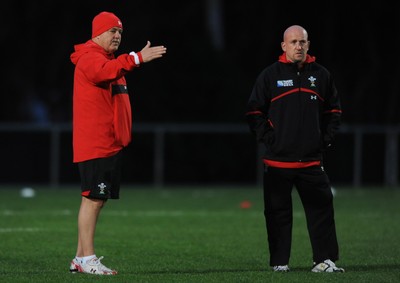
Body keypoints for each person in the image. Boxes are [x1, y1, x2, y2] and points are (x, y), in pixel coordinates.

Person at [69, 11, 166, 275]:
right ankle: (88, 258)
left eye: (120, 32)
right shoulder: (91, 58)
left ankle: (79, 257)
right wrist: (136, 58)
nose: (117, 36)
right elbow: (105, 72)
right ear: (97, 33)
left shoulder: (107, 59)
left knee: (96, 199)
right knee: (92, 199)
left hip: (108, 142)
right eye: (112, 31)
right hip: (96, 143)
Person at [245, 25, 344, 273]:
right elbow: (254, 112)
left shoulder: (321, 75)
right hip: (278, 162)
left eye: (302, 42)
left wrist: (325, 139)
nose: (298, 46)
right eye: (293, 42)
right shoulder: (269, 75)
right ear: (284, 46)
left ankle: (324, 260)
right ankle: (280, 262)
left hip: (311, 161)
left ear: (308, 45)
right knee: (277, 214)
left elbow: (334, 111)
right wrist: (270, 139)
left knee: (321, 211)